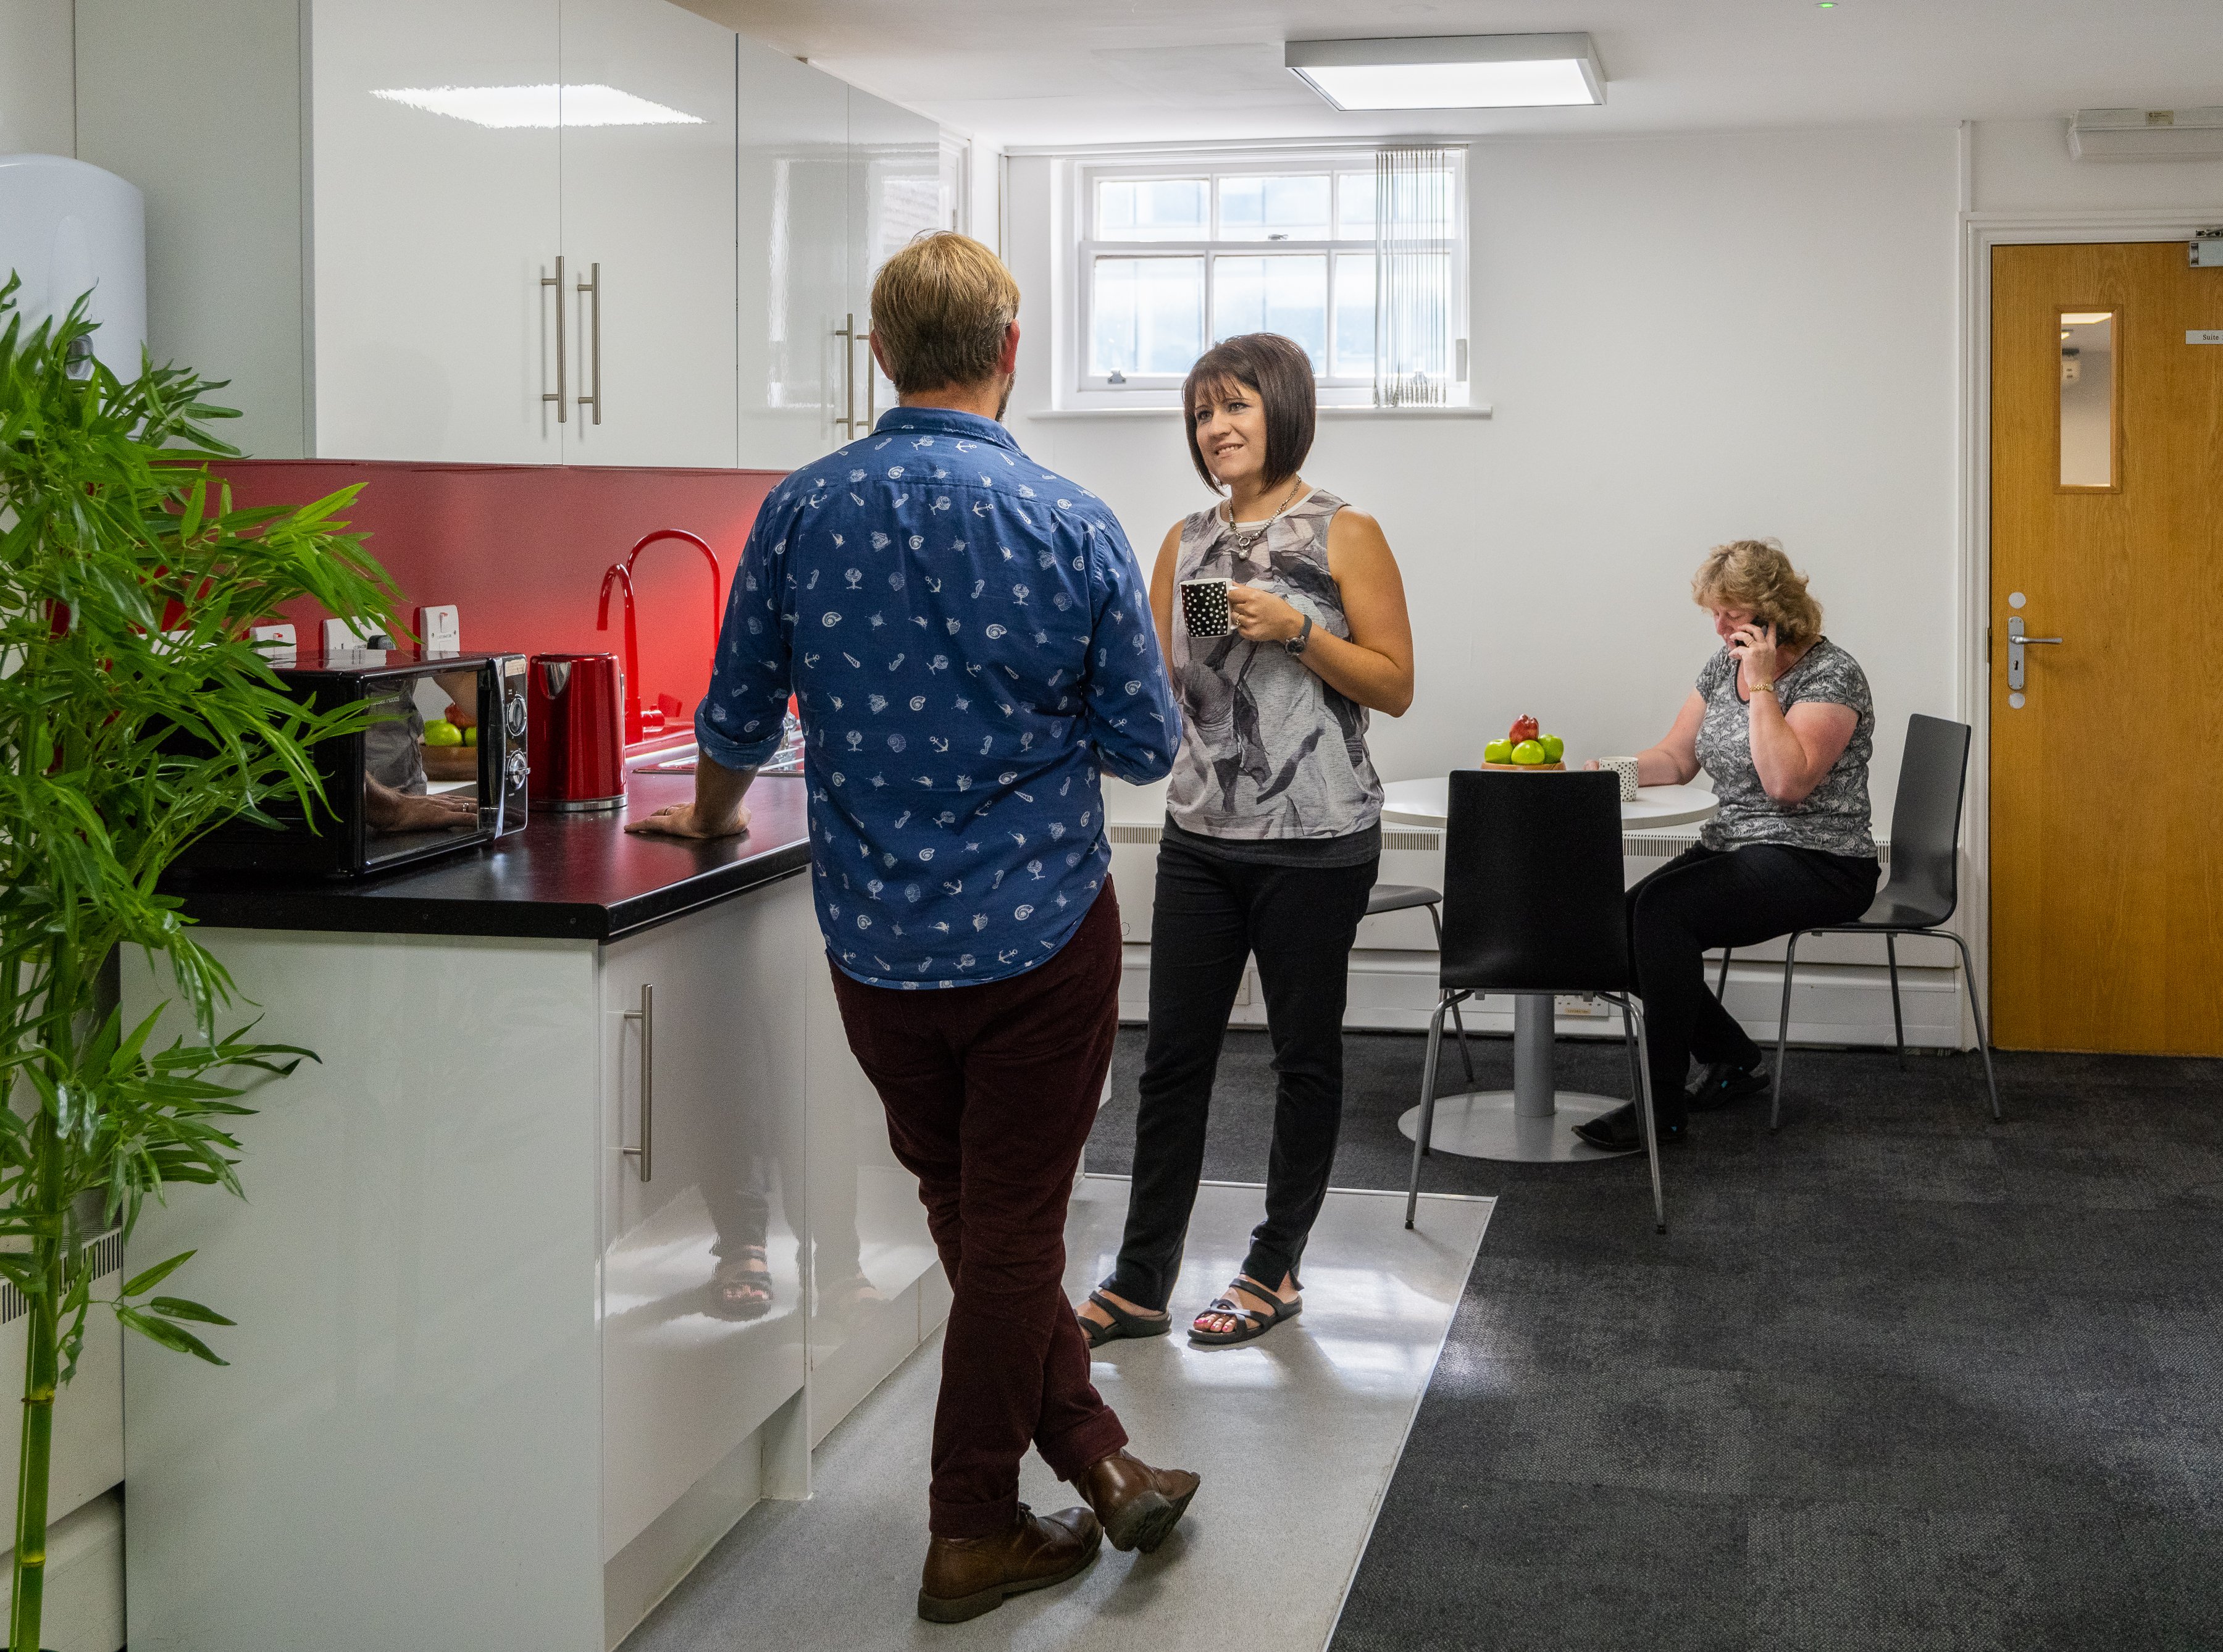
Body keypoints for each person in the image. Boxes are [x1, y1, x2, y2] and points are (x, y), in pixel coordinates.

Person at [627, 231, 1199, 1624]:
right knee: (1010, 1233)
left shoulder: (800, 510)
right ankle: (970, 1527)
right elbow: (1145, 745)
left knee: (973, 1215)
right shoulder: (1072, 521)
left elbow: (736, 716)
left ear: (877, 353)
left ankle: (1099, 1457)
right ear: (1012, 350)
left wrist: (708, 817)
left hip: (878, 944)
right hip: (1042, 932)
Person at [1077, 333, 1414, 1352]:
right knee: (1172, 1060)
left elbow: (1395, 683)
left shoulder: (1345, 531)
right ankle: (1142, 1279)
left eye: (1234, 407)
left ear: (1282, 410)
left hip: (1319, 837)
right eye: (1201, 413)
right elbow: (1156, 678)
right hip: (1201, 834)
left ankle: (1275, 1266)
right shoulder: (1184, 542)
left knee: (1303, 1058)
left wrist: (1300, 630)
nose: (1214, 428)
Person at [1574, 539, 1880, 1151]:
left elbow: (1786, 783)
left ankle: (1661, 1109)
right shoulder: (1723, 666)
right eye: (1714, 612)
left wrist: (1763, 686)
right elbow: (1676, 758)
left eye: (1731, 612)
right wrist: (1605, 772)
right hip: (1736, 845)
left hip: (1820, 858)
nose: (1719, 626)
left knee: (1665, 912)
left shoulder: (1832, 675)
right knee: (1619, 925)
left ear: (1774, 611)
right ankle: (1733, 1056)